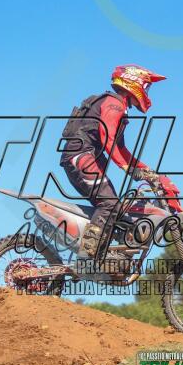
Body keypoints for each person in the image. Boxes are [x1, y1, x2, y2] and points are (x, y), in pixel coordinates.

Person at [59, 65, 166, 257]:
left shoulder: (117, 106)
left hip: (85, 156)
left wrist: (148, 171)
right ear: (134, 83)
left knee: (117, 209)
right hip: (80, 155)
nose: (147, 92)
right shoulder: (114, 104)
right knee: (109, 204)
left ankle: (108, 256)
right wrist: (127, 168)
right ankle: (87, 253)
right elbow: (107, 138)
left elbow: (121, 150)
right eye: (146, 87)